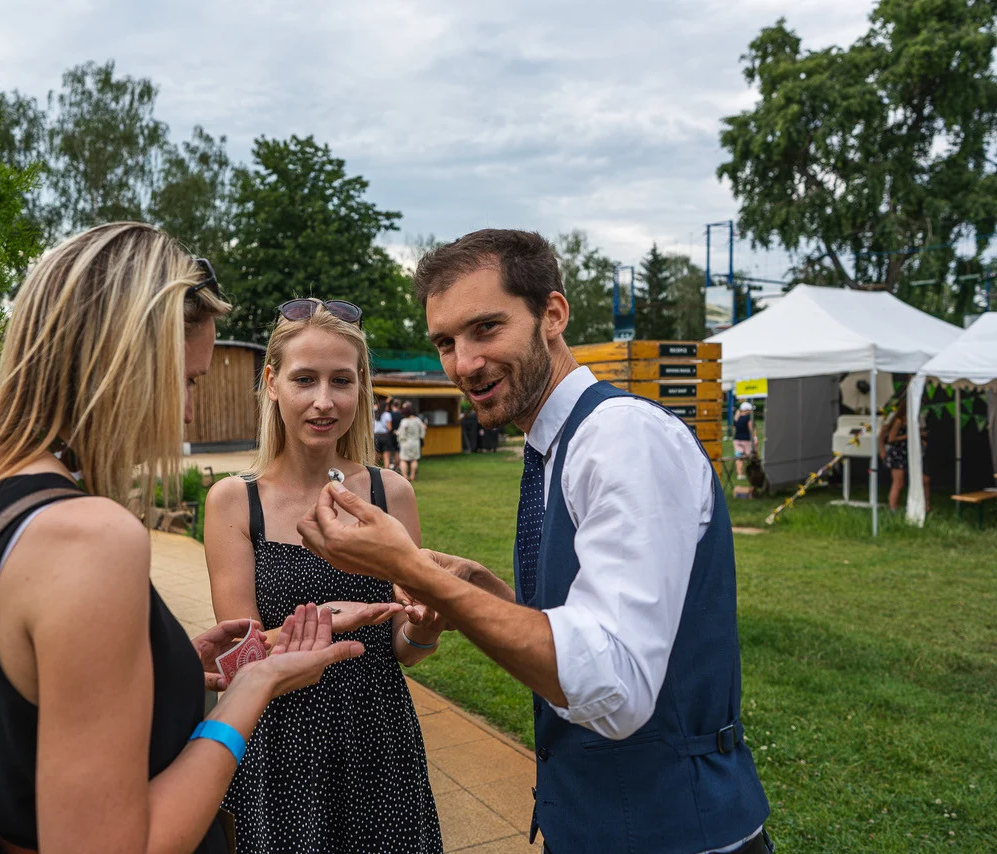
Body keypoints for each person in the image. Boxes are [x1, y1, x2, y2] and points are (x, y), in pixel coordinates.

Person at [299, 229, 772, 854]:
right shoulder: (555, 446)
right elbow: (584, 629)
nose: (463, 363)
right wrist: (481, 592)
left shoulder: (621, 439)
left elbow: (617, 685)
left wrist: (414, 568)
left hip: (677, 831)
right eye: (446, 342)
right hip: (590, 825)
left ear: (553, 314)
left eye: (486, 328)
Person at [0, 223, 364, 854]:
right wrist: (254, 688)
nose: (185, 412)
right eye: (188, 381)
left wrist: (158, 664)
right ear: (123, 363)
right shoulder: (90, 537)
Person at [204, 297, 444, 854]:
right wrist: (329, 623)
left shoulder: (391, 494)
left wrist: (426, 625)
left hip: (378, 735)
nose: (323, 402)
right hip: (282, 740)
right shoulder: (235, 503)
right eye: (304, 379)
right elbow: (242, 656)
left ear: (361, 387)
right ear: (271, 382)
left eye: (341, 381)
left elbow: (401, 648)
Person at [879, 401, 930, 512]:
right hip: (898, 452)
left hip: (911, 451)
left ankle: (925, 506)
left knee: (924, 479)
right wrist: (909, 435)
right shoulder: (898, 420)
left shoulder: (918, 418)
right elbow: (891, 439)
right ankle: (893, 509)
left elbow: (922, 433)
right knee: (898, 483)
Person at [397, 402, 427, 481]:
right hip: (415, 442)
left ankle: (405, 476)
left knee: (403, 460)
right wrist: (420, 436)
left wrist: (398, 437)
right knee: (414, 459)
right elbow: (422, 430)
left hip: (405, 443)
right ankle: (413, 475)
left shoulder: (404, 421)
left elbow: (401, 433)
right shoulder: (417, 420)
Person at [733, 401, 758, 481]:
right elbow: (751, 428)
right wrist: (755, 438)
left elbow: (735, 424)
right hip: (746, 440)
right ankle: (753, 472)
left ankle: (739, 474)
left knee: (739, 457)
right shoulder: (748, 418)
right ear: (747, 410)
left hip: (737, 440)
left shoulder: (737, 417)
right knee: (751, 456)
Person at [374, 399, 397, 469]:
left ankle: (374, 472)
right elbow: (389, 427)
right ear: (385, 407)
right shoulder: (387, 415)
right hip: (385, 436)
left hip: (375, 436)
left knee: (375, 457)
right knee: (386, 457)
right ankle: (386, 473)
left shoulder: (374, 414)